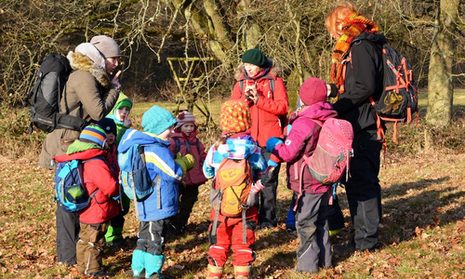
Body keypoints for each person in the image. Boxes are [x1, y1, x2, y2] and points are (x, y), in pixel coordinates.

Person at [38, 35, 122, 266]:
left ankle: (76, 252)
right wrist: (114, 89)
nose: (117, 63)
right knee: (68, 201)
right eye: (114, 58)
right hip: (67, 143)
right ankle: (67, 257)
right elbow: (97, 112)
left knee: (77, 196)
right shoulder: (83, 77)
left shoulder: (86, 76)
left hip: (73, 142)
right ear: (101, 57)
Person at [325, 3, 385, 251]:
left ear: (341, 24)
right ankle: (361, 235)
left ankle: (367, 240)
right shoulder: (359, 44)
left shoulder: (360, 46)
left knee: (364, 181)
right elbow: (356, 85)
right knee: (355, 181)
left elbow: (364, 87)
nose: (332, 36)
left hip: (364, 124)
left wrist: (336, 108)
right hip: (358, 122)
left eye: (332, 30)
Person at [266, 77, 338, 273]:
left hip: (307, 182)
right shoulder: (329, 116)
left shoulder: (304, 122)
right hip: (324, 178)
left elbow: (288, 153)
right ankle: (325, 260)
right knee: (321, 221)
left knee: (306, 223)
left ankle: (307, 267)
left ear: (304, 97)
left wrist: (274, 145)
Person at [118, 105, 194, 278]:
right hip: (157, 202)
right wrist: (185, 162)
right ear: (158, 128)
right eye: (168, 128)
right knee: (156, 238)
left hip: (145, 201)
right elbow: (173, 172)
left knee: (144, 236)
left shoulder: (141, 144)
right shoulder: (156, 149)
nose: (171, 131)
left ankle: (139, 269)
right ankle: (153, 273)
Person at [203, 100, 267, 279]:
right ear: (247, 120)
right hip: (247, 207)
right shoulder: (253, 148)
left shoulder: (216, 148)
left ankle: (214, 276)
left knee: (219, 243)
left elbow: (206, 171)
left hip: (220, 207)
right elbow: (262, 169)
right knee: (243, 243)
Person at [231, 48, 289, 228]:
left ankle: (268, 219)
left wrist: (259, 100)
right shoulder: (240, 83)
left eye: (252, 65)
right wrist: (246, 100)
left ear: (260, 65)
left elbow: (283, 107)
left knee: (268, 181)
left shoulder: (275, 82)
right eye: (246, 65)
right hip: (247, 140)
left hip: (270, 140)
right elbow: (233, 110)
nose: (248, 68)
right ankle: (250, 217)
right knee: (248, 179)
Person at [53, 125, 121, 276]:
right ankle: (93, 270)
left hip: (84, 207)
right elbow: (109, 187)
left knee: (83, 240)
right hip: (97, 209)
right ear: (98, 142)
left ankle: (83, 267)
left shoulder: (78, 156)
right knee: (94, 242)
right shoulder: (95, 161)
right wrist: (118, 188)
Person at [168, 111, 207, 235]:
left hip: (194, 180)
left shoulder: (196, 142)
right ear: (179, 127)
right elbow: (169, 157)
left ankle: (181, 224)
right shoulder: (174, 141)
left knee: (188, 203)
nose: (189, 129)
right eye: (186, 126)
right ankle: (172, 224)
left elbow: (203, 156)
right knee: (174, 202)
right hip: (179, 179)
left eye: (191, 126)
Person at [97, 117, 127, 248]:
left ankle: (116, 236)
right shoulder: (100, 151)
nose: (110, 137)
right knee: (105, 215)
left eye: (112, 134)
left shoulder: (117, 149)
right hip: (105, 187)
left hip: (118, 186)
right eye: (107, 134)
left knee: (119, 214)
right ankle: (104, 238)